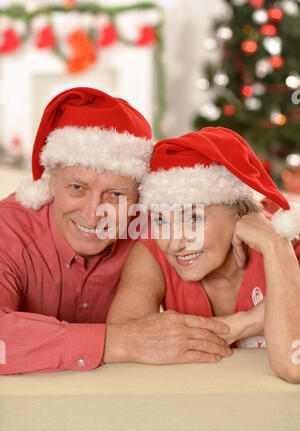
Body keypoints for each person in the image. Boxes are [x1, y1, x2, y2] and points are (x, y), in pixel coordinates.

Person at [0, 89, 231, 375]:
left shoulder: (158, 226)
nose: (94, 213)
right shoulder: (8, 230)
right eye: (77, 187)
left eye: (116, 194)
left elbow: (224, 213)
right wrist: (121, 341)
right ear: (51, 181)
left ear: (139, 198)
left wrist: (248, 225)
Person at [107, 127, 300, 383]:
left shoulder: (288, 246)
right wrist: (250, 320)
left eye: (194, 218)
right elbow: (123, 341)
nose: (174, 244)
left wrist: (276, 246)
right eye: (161, 220)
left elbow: (294, 367)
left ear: (240, 210)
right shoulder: (151, 252)